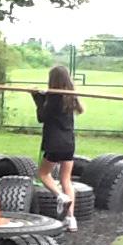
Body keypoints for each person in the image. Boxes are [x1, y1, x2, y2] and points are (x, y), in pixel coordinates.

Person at [32, 65, 84, 232]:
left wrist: (37, 98)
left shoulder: (54, 99)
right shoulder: (71, 97)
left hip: (54, 143)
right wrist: (41, 96)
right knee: (66, 180)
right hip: (69, 144)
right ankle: (71, 219)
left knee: (43, 174)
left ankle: (60, 195)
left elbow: (42, 116)